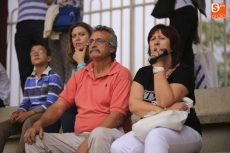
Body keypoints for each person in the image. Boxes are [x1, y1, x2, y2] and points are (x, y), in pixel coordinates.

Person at [24, 25, 132, 153]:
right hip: (79, 137)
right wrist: (38, 123)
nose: (93, 44)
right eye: (91, 41)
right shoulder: (80, 75)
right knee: (34, 140)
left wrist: (87, 142)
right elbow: (59, 106)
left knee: (98, 134)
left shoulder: (121, 73)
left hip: (110, 135)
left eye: (99, 41)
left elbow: (117, 117)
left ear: (112, 48)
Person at [111, 24, 202, 153]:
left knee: (156, 136)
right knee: (118, 146)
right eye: (152, 39)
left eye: (162, 38)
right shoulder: (143, 73)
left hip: (185, 129)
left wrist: (158, 67)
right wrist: (164, 110)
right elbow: (134, 105)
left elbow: (165, 100)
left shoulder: (184, 71)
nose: (156, 42)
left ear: (173, 46)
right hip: (150, 127)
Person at [0, 44, 63, 153]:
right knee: (3, 127)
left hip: (47, 115)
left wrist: (27, 114)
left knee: (29, 121)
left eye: (40, 51)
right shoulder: (29, 79)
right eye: (33, 52)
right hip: (30, 115)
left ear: (49, 58)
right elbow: (25, 102)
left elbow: (50, 104)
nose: (36, 54)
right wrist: (19, 112)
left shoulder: (54, 77)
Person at [60, 21, 93, 133]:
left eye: (81, 34)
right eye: (73, 36)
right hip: (79, 103)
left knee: (66, 108)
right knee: (57, 107)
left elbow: (87, 89)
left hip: (94, 104)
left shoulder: (97, 59)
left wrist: (81, 63)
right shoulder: (75, 64)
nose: (77, 38)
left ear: (90, 38)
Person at [44, 0, 84, 84]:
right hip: (54, 23)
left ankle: (70, 90)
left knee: (69, 60)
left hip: (70, 22)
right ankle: (58, 91)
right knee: (55, 62)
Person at [15, 0, 49, 92]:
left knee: (45, 62)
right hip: (22, 22)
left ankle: (47, 98)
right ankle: (28, 100)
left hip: (43, 21)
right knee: (24, 65)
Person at [169, 0, 206, 76]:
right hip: (190, 10)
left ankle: (175, 80)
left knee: (175, 48)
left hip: (180, 10)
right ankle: (188, 82)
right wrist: (195, 28)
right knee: (186, 51)